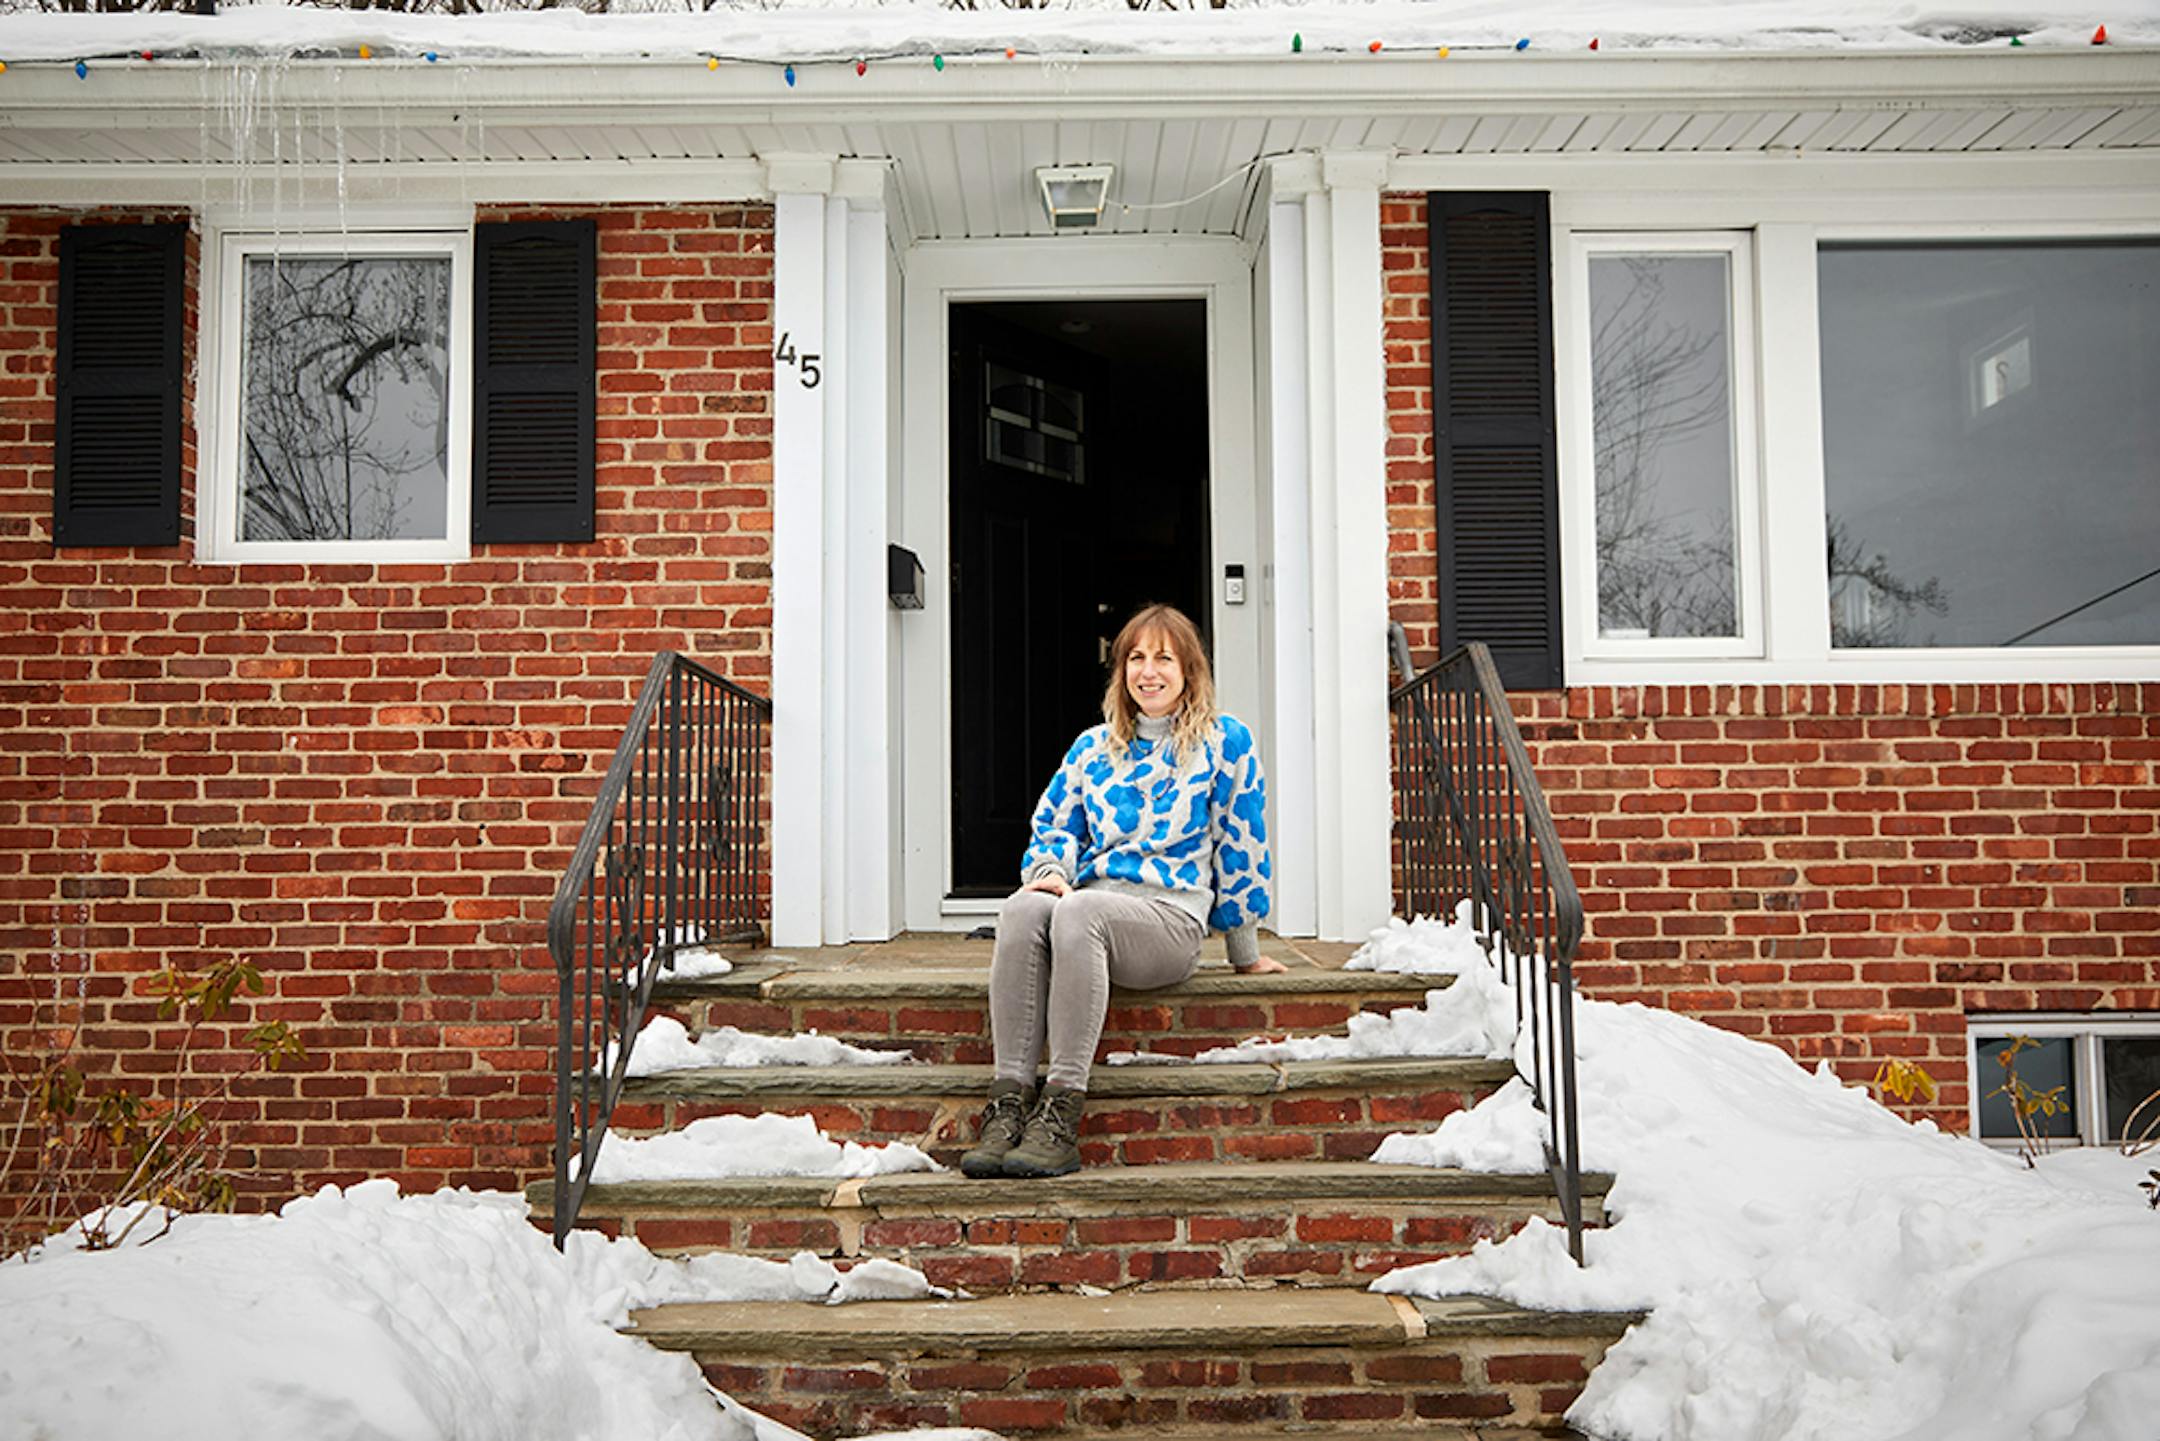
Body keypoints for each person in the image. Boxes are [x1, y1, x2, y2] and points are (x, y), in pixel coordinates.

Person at [962, 603, 1282, 1180]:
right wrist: (1053, 871)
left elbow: (1241, 842)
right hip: (1088, 910)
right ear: (1121, 671)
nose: (1149, 671)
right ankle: (1008, 1104)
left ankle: (1060, 1114)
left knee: (1079, 910)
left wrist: (1244, 952)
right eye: (1136, 657)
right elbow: (1055, 825)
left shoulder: (1224, 741)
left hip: (1169, 921)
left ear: (1190, 670)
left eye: (1164, 657)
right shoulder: (1093, 748)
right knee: (1023, 907)